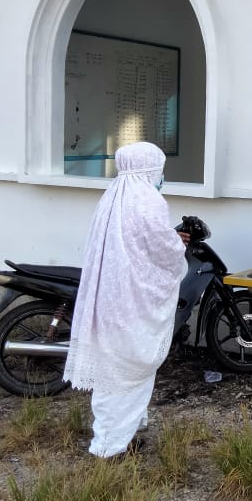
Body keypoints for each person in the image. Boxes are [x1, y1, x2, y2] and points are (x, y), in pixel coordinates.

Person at [63, 141, 188, 458]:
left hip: (108, 305)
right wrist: (178, 248)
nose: (162, 176)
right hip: (133, 305)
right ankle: (110, 448)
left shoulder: (112, 197)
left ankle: (118, 435)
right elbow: (165, 252)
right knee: (129, 372)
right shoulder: (149, 201)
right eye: (160, 170)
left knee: (111, 374)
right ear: (151, 169)